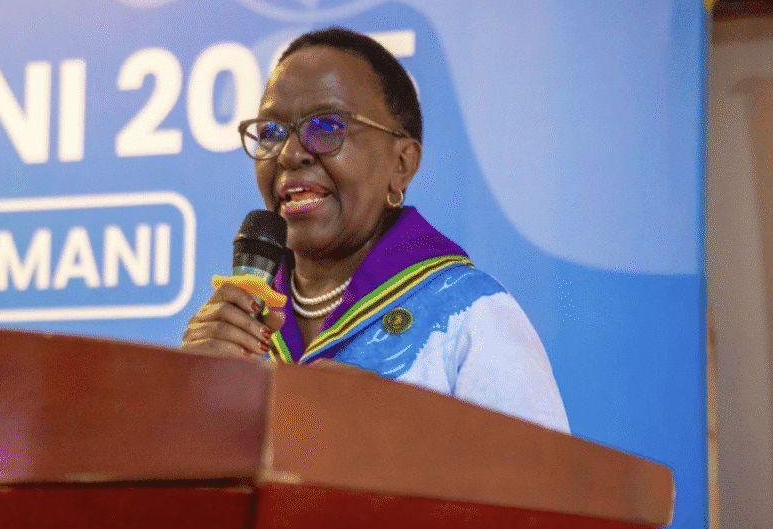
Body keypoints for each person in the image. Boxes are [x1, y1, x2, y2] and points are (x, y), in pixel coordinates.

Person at [181, 27, 568, 434]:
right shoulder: (233, 330)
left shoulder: (469, 316)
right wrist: (186, 391)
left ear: (401, 163)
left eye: (327, 127)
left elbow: (544, 489)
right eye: (271, 132)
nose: (290, 154)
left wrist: (387, 427)